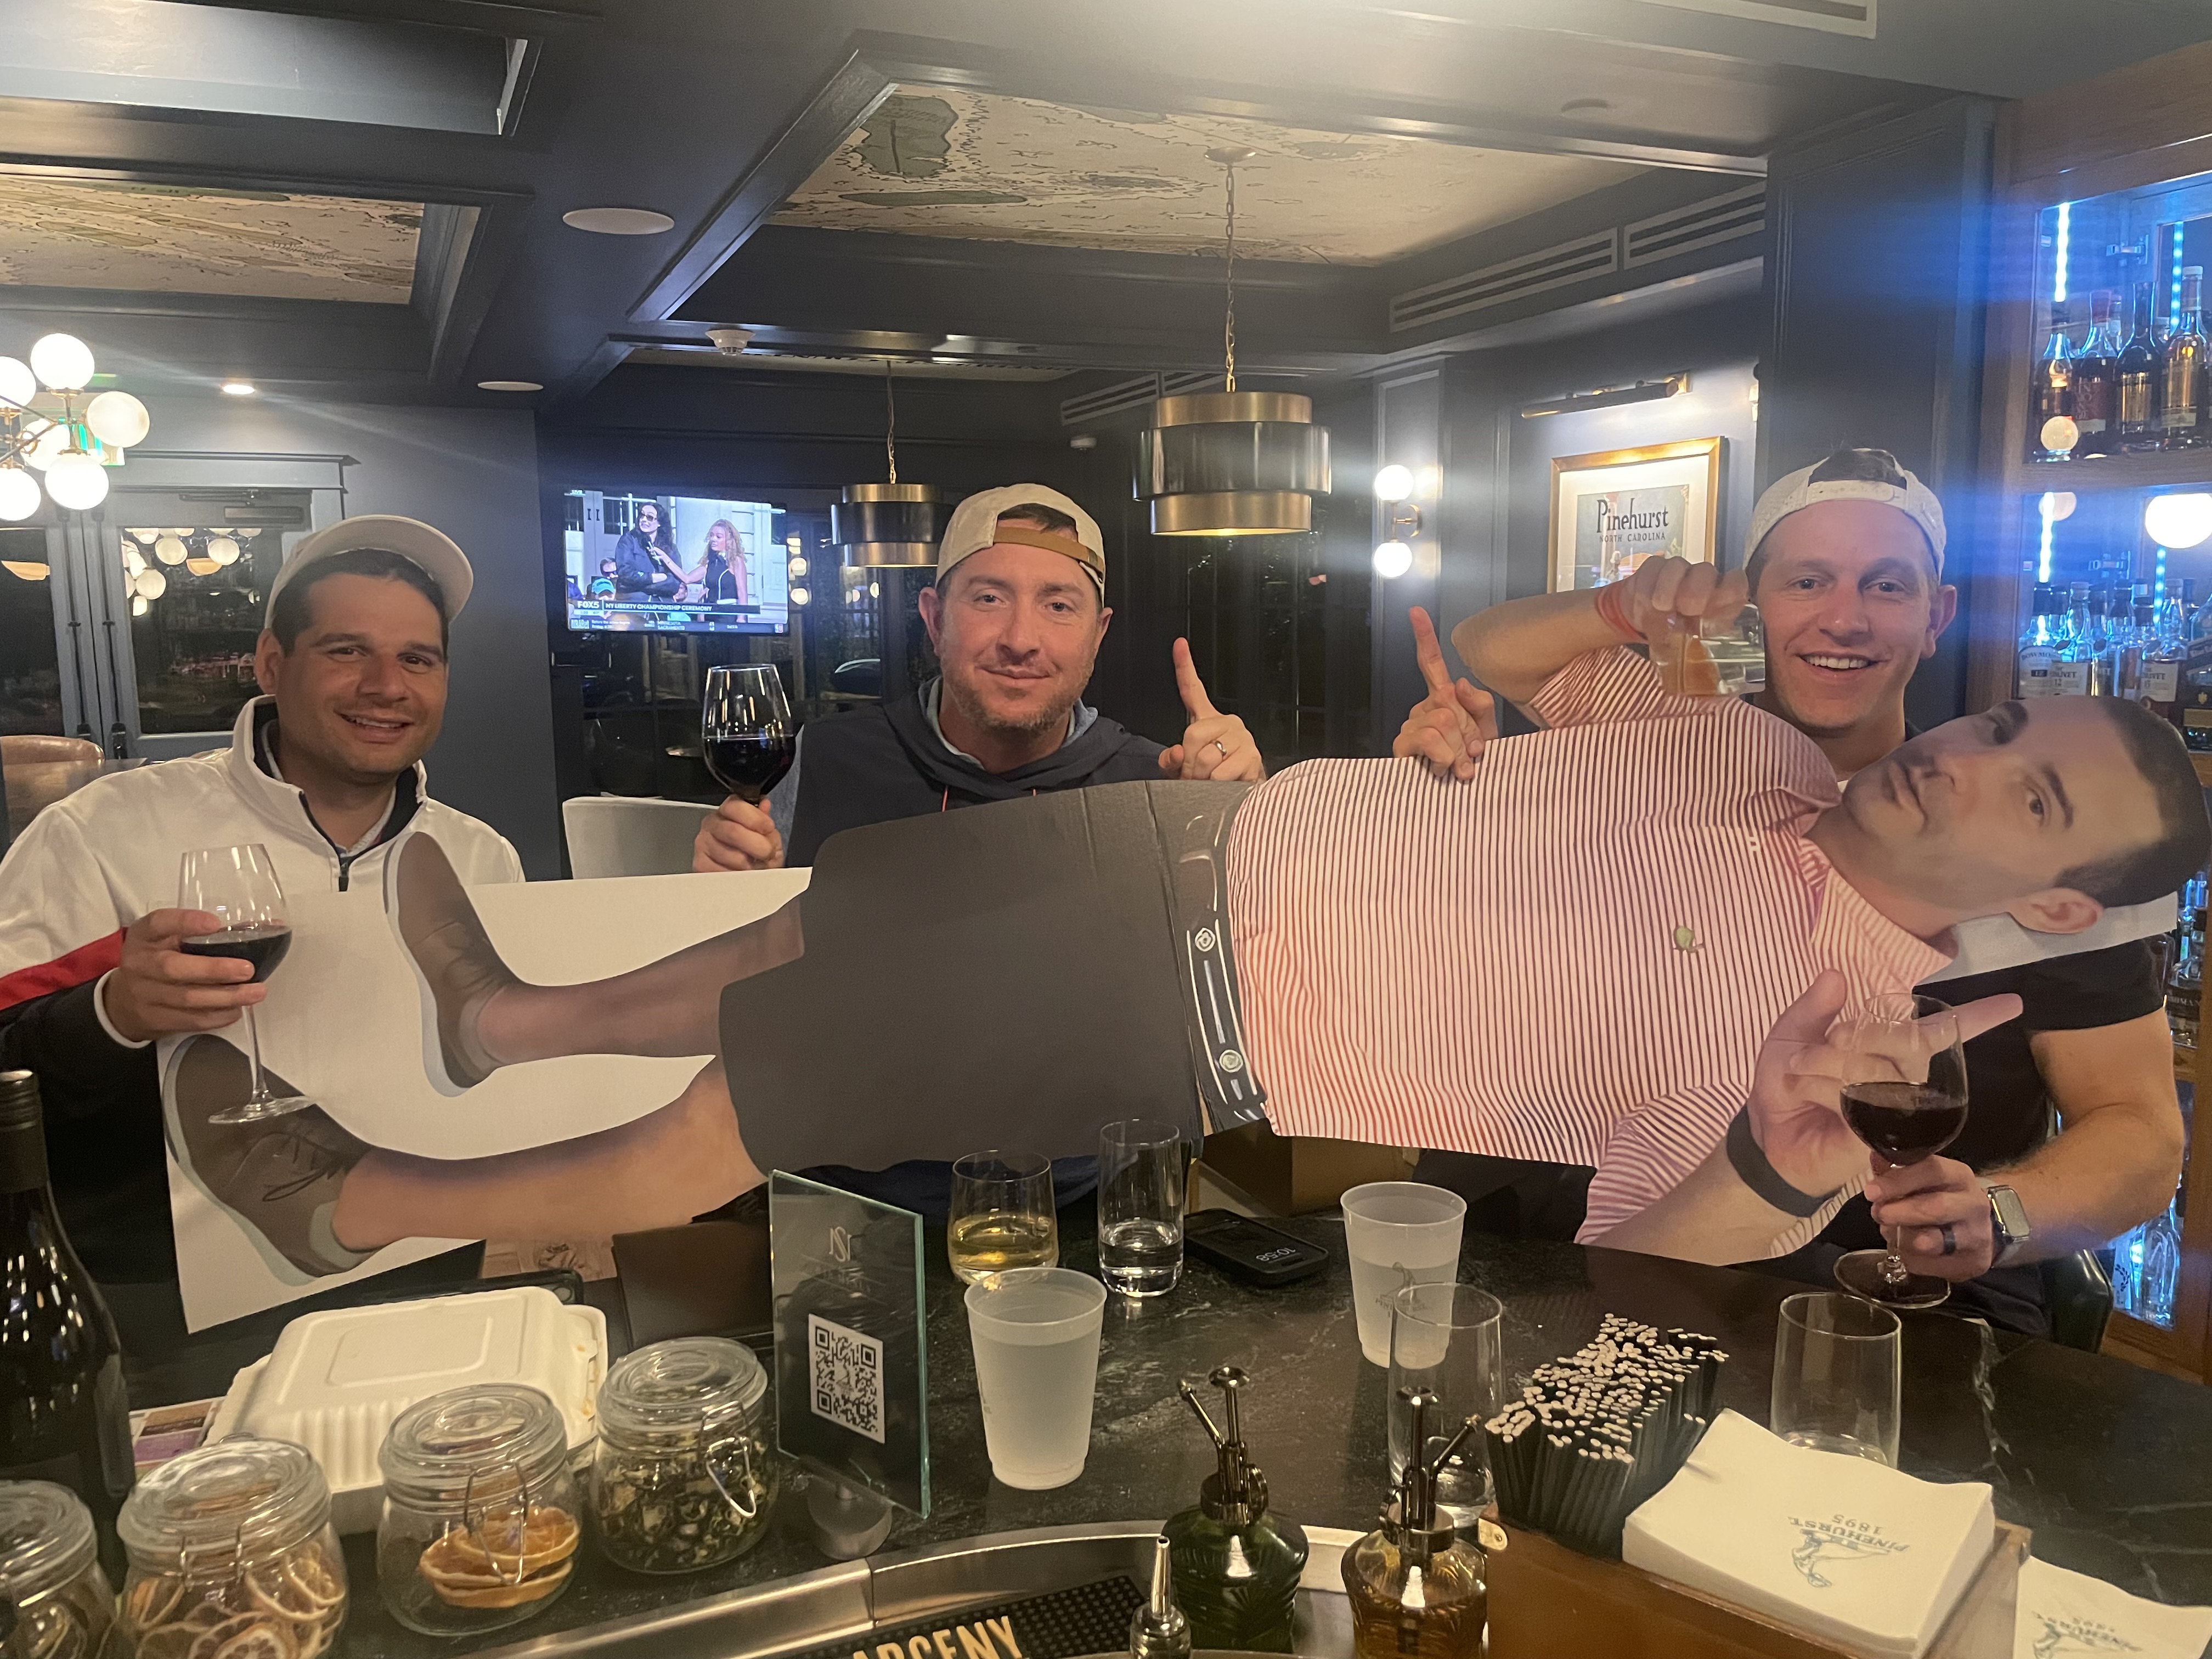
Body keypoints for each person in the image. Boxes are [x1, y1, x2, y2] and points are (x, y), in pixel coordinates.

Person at [306, 651, 2202, 1273]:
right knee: (818, 925)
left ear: (2056, 907)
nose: (1967, 760)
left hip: (1180, 1007)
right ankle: (509, 1018)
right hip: (1176, 841)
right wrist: (1562, 641)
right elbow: (1507, 672)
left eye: (2031, 799)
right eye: (2000, 725)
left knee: (754, 1100)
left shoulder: (1845, 1047)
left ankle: (361, 1202)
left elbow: (1646, 1252)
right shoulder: (1755, 744)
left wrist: (1783, 1166)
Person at [1420, 446, 2190, 1333]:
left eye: (1887, 587)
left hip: (1887, 1295)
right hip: (1608, 1234)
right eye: (1807, 581)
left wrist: (2000, 1213)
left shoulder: (2039, 850)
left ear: (1936, 616)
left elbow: (2139, 1133)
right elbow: (1491, 648)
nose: (1844, 619)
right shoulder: (1679, 743)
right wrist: (1621, 609)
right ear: (1753, 607)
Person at [0, 517, 522, 1347]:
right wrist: (112, 1013)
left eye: (417, 659)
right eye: (347, 650)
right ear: (272, 664)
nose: (387, 685)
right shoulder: (100, 831)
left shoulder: (480, 856)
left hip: (430, 1276)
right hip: (169, 1306)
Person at [692, 484, 1265, 873]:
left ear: (1098, 634)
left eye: (1059, 606)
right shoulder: (825, 763)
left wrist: (1248, 818)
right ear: (935, 620)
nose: (1021, 639)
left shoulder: (1157, 786)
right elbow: (750, 965)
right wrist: (732, 894)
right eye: (989, 598)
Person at [611, 500, 683, 602]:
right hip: (634, 602)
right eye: (642, 515)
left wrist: (642, 585)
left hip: (663, 603)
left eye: (650, 517)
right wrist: (652, 578)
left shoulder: (670, 547)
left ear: (659, 523)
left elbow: (675, 583)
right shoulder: (628, 540)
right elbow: (626, 575)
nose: (644, 520)